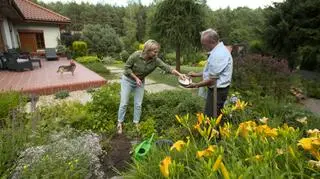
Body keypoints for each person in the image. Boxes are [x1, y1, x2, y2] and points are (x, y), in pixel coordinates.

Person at [117, 39, 187, 134]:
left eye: (157, 51)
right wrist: (135, 78)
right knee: (124, 102)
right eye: (155, 51)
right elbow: (126, 68)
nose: (156, 54)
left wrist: (179, 74)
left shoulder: (155, 60)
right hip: (128, 80)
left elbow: (167, 68)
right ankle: (120, 123)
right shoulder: (136, 55)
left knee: (138, 104)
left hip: (140, 82)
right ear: (148, 50)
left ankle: (136, 123)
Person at [186, 28, 233, 119]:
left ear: (211, 42)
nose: (203, 46)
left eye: (204, 44)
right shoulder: (217, 51)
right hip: (216, 90)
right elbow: (211, 71)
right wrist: (196, 74)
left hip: (218, 91)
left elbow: (212, 80)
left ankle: (214, 133)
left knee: (211, 117)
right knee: (211, 115)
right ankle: (214, 132)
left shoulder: (219, 55)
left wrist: (195, 85)